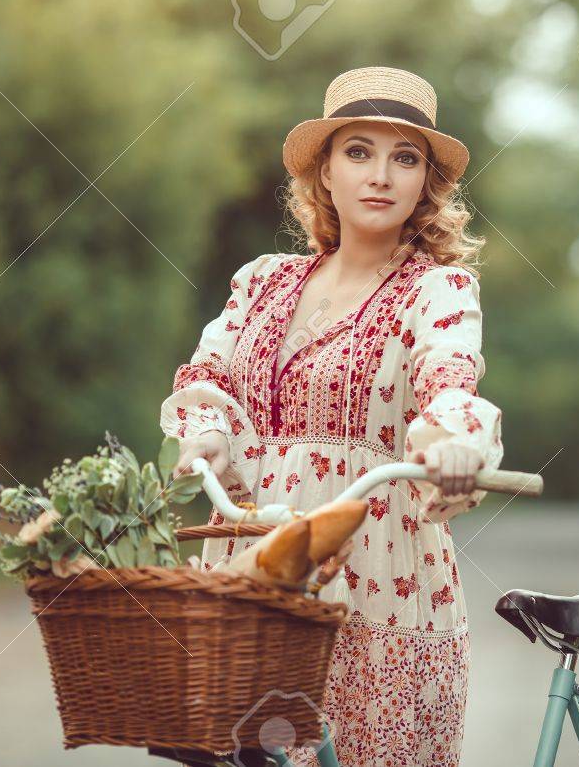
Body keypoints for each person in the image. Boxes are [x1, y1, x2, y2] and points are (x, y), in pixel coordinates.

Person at [159, 66, 504, 766]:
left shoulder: (438, 289)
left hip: (377, 573)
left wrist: (457, 443)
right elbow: (207, 374)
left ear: (425, 182)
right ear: (325, 171)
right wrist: (210, 434)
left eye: (404, 158)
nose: (381, 175)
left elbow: (448, 375)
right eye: (359, 151)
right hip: (258, 564)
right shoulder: (262, 281)